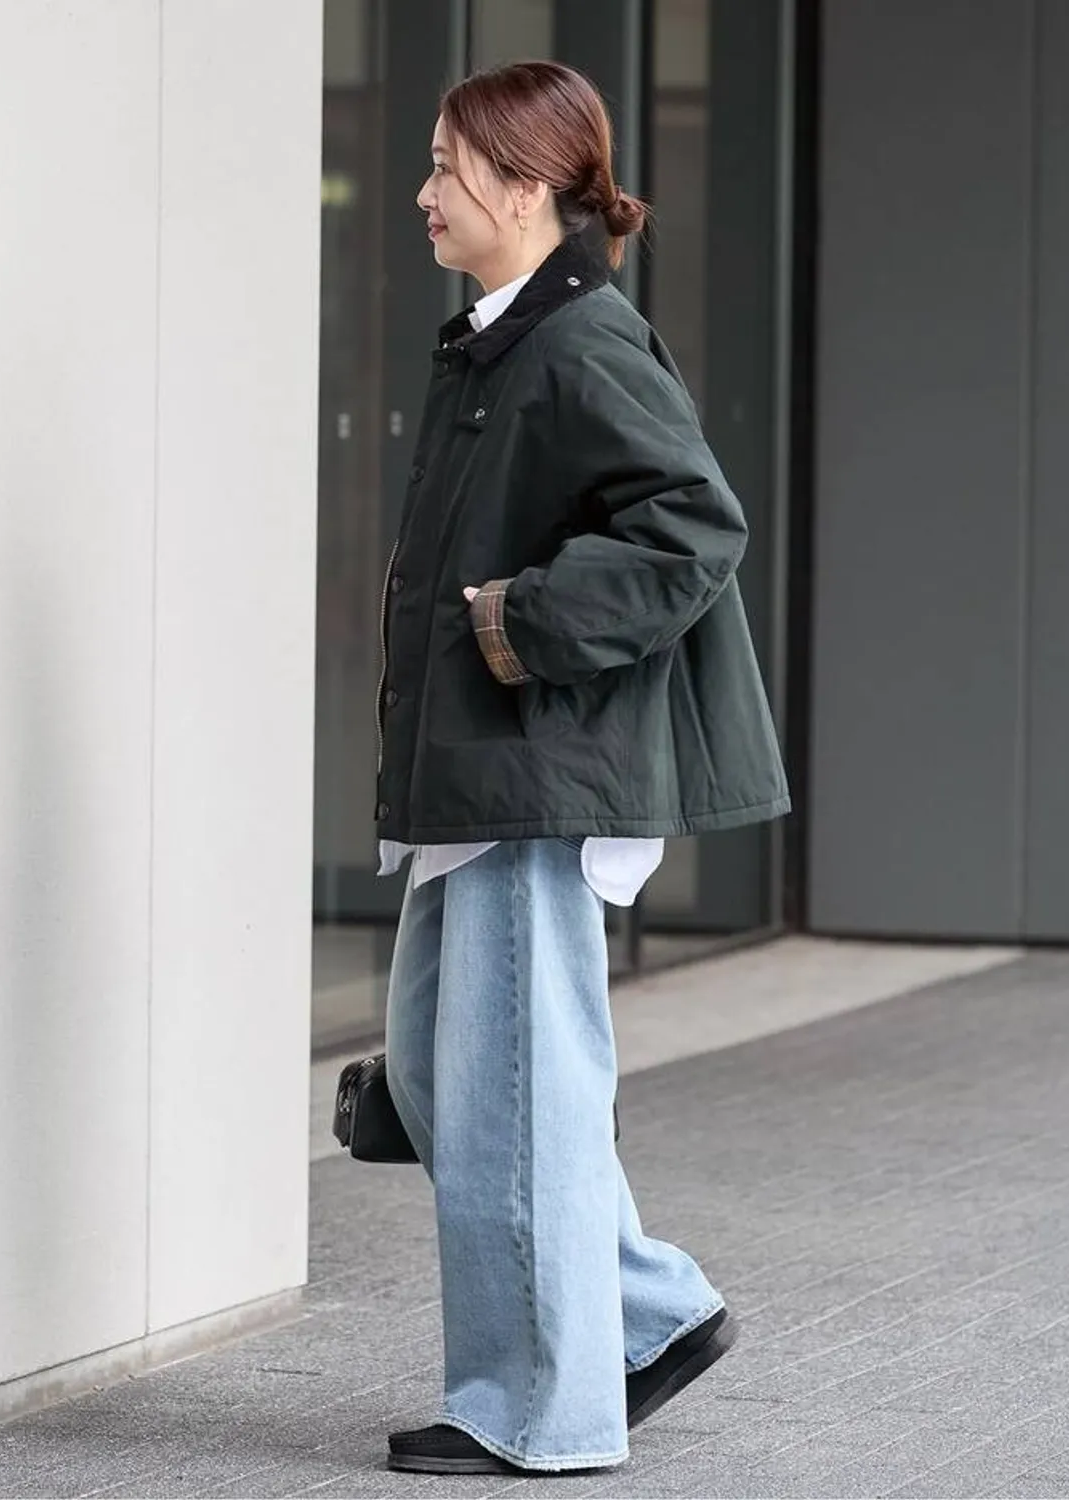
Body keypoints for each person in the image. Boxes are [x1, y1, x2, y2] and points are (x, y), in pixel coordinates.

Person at [375, 60, 790, 1476]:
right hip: (488, 773)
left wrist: (521, 624)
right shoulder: (501, 343)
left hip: (536, 771)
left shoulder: (579, 341)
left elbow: (694, 524)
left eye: (447, 166)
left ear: (527, 184)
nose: (424, 192)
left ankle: (538, 1411)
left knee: (513, 1094)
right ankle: (650, 1311)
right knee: (440, 1078)